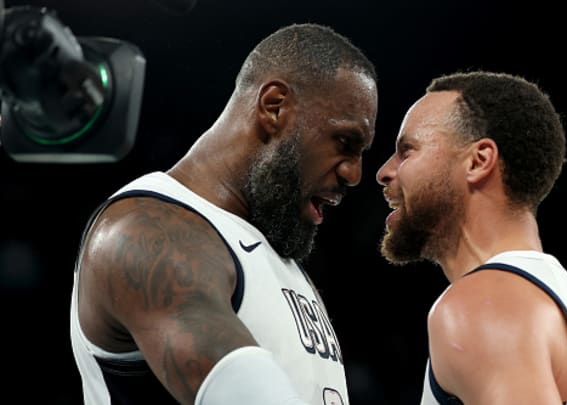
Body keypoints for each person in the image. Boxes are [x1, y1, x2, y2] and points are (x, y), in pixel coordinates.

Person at [70, 23, 378, 405]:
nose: (354, 173)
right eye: (345, 143)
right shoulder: (145, 233)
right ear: (274, 107)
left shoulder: (270, 253)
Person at [376, 70, 567, 405]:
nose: (384, 171)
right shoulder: (559, 302)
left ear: (478, 161)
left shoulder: (483, 306)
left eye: (407, 150)